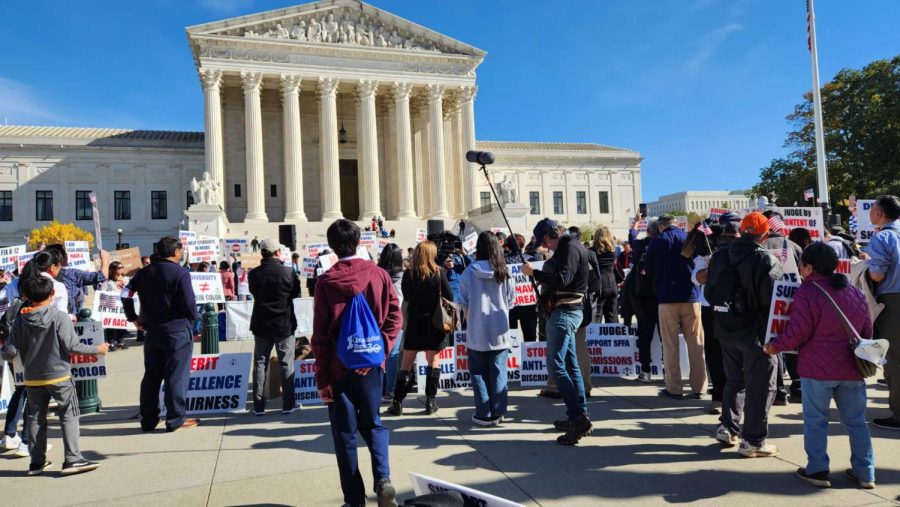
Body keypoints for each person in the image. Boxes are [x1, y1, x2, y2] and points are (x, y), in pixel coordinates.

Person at [764, 242, 876, 489]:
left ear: (809, 267)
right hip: (852, 368)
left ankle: (817, 470)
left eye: (802, 263)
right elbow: (867, 329)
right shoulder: (853, 292)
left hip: (816, 368)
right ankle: (866, 472)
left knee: (816, 421)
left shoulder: (808, 291)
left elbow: (798, 332)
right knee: (857, 422)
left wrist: (775, 346)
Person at [311, 219, 401, 507]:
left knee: (344, 434)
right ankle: (383, 480)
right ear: (359, 241)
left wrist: (322, 378)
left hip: (338, 368)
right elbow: (394, 319)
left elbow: (321, 335)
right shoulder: (380, 275)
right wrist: (377, 352)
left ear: (332, 246)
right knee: (373, 424)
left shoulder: (326, 282)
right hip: (372, 368)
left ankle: (354, 499)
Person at [1, 275, 109, 475]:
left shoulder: (19, 321)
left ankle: (37, 462)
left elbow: (9, 352)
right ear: (52, 293)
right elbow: (72, 346)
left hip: (32, 377)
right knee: (69, 415)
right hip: (59, 375)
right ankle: (72, 459)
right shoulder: (59, 317)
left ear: (27, 296)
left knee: (35, 418)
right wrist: (98, 349)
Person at [705, 212, 782, 457]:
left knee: (734, 380)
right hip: (756, 333)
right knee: (761, 386)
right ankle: (754, 440)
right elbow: (772, 301)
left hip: (726, 329)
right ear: (765, 234)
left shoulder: (719, 256)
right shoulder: (766, 260)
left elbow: (709, 293)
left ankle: (728, 427)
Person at [522, 220, 592, 445]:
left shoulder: (570, 247)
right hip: (567, 311)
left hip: (565, 312)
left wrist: (535, 273)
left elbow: (563, 279)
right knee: (570, 365)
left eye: (545, 242)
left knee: (556, 365)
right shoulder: (568, 247)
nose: (546, 247)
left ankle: (578, 418)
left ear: (551, 235)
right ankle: (578, 415)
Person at [122, 237, 200, 433]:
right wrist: (193, 317)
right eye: (180, 251)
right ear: (175, 252)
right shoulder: (181, 273)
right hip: (177, 330)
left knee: (152, 376)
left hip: (152, 330)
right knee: (176, 376)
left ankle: (148, 419)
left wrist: (133, 318)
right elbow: (189, 302)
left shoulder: (144, 272)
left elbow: (125, 294)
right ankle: (175, 419)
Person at [386, 240, 453, 416]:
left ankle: (397, 402)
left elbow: (406, 296)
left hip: (415, 322)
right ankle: (431, 402)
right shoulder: (439, 273)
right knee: (433, 362)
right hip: (435, 323)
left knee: (406, 364)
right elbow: (449, 295)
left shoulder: (408, 274)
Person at [645, 214, 706, 399]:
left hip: (666, 298)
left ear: (661, 226)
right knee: (696, 343)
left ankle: (675, 388)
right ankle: (699, 387)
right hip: (691, 295)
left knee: (670, 345)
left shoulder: (656, 242)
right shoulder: (688, 238)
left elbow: (649, 269)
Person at [458, 232, 516, 426]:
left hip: (477, 328)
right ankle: (498, 411)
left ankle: (484, 412)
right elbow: (511, 300)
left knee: (478, 373)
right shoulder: (504, 271)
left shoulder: (469, 272)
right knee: (499, 371)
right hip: (500, 328)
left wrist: (470, 321)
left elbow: (463, 302)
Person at [689, 213, 740, 415]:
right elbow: (698, 278)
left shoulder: (743, 250)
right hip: (711, 306)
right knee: (714, 351)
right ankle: (718, 396)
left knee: (738, 352)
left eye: (732, 229)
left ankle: (739, 396)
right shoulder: (706, 251)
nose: (728, 233)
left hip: (738, 306)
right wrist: (715, 265)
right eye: (725, 229)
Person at [248, 239, 301, 415]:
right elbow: (295, 293)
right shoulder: (288, 272)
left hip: (261, 324)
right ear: (277, 252)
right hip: (283, 324)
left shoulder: (253, 274)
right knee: (286, 364)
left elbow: (253, 292)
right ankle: (288, 404)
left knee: (260, 364)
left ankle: (258, 406)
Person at [861, 195, 900, 430]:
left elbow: (877, 275)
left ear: (880, 212)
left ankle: (898, 414)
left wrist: (865, 262)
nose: (871, 212)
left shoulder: (883, 236)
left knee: (895, 357)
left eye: (873, 208)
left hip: (893, 300)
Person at [623, 218, 661, 381]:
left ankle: (646, 371)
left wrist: (637, 222)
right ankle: (669, 372)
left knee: (645, 336)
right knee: (666, 336)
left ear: (648, 231)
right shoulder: (662, 244)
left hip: (642, 297)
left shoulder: (640, 245)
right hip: (660, 295)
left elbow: (632, 236)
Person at [42, 243, 108, 315]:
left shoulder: (34, 275)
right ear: (60, 258)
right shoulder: (71, 274)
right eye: (66, 254)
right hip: (67, 321)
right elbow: (101, 276)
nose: (68, 256)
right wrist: (105, 259)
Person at [377, 243, 405, 400]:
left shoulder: (377, 273)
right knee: (392, 355)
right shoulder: (403, 275)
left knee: (379, 354)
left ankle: (378, 388)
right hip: (396, 319)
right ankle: (390, 389)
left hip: (379, 318)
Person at [504, 234, 538, 343]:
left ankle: (513, 359)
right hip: (529, 304)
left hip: (510, 304)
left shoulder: (503, 261)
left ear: (508, 245)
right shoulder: (531, 259)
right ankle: (529, 359)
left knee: (511, 339)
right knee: (530, 338)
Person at [591, 226, 618, 323]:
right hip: (612, 284)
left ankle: (596, 338)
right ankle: (615, 338)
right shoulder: (613, 252)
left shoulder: (591, 251)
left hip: (599, 286)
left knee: (596, 317)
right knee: (612, 317)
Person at [101, 261, 130, 350]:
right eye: (119, 268)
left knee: (121, 323)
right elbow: (102, 292)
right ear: (113, 270)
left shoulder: (125, 279)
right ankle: (111, 342)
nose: (121, 269)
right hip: (112, 305)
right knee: (112, 324)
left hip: (122, 305)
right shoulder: (108, 281)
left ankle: (120, 341)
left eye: (122, 267)